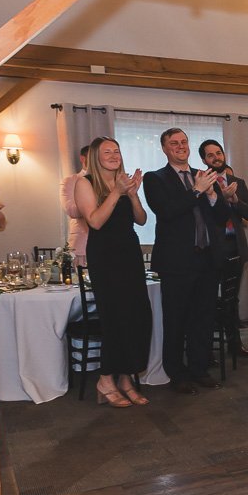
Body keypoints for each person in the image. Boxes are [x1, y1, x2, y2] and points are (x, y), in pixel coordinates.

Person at [143, 128, 230, 395]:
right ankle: (176, 373)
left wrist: (214, 196)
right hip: (176, 262)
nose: (180, 146)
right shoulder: (154, 178)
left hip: (206, 259)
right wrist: (196, 191)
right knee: (176, 319)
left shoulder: (201, 175)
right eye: (174, 143)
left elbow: (221, 217)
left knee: (202, 319)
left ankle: (199, 369)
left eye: (184, 142)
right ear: (165, 148)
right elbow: (167, 212)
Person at [73, 137, 153, 407]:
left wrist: (131, 194)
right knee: (115, 319)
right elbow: (94, 222)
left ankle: (125, 379)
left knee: (137, 316)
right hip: (105, 258)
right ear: (95, 157)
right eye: (107, 152)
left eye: (116, 151)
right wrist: (117, 193)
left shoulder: (124, 183)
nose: (113, 155)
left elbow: (141, 219)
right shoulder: (85, 183)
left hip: (129, 253)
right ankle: (105, 379)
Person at [200, 139, 248, 358]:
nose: (216, 157)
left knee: (231, 299)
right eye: (210, 155)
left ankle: (234, 344)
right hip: (211, 250)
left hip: (235, 247)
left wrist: (235, 200)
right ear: (204, 160)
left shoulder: (238, 182)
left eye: (219, 153)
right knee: (208, 300)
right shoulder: (203, 182)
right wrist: (221, 199)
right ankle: (205, 348)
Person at [60, 145, 90, 265]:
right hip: (82, 244)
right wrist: (96, 206)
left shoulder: (109, 181)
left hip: (110, 245)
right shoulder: (70, 181)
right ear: (83, 159)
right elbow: (71, 210)